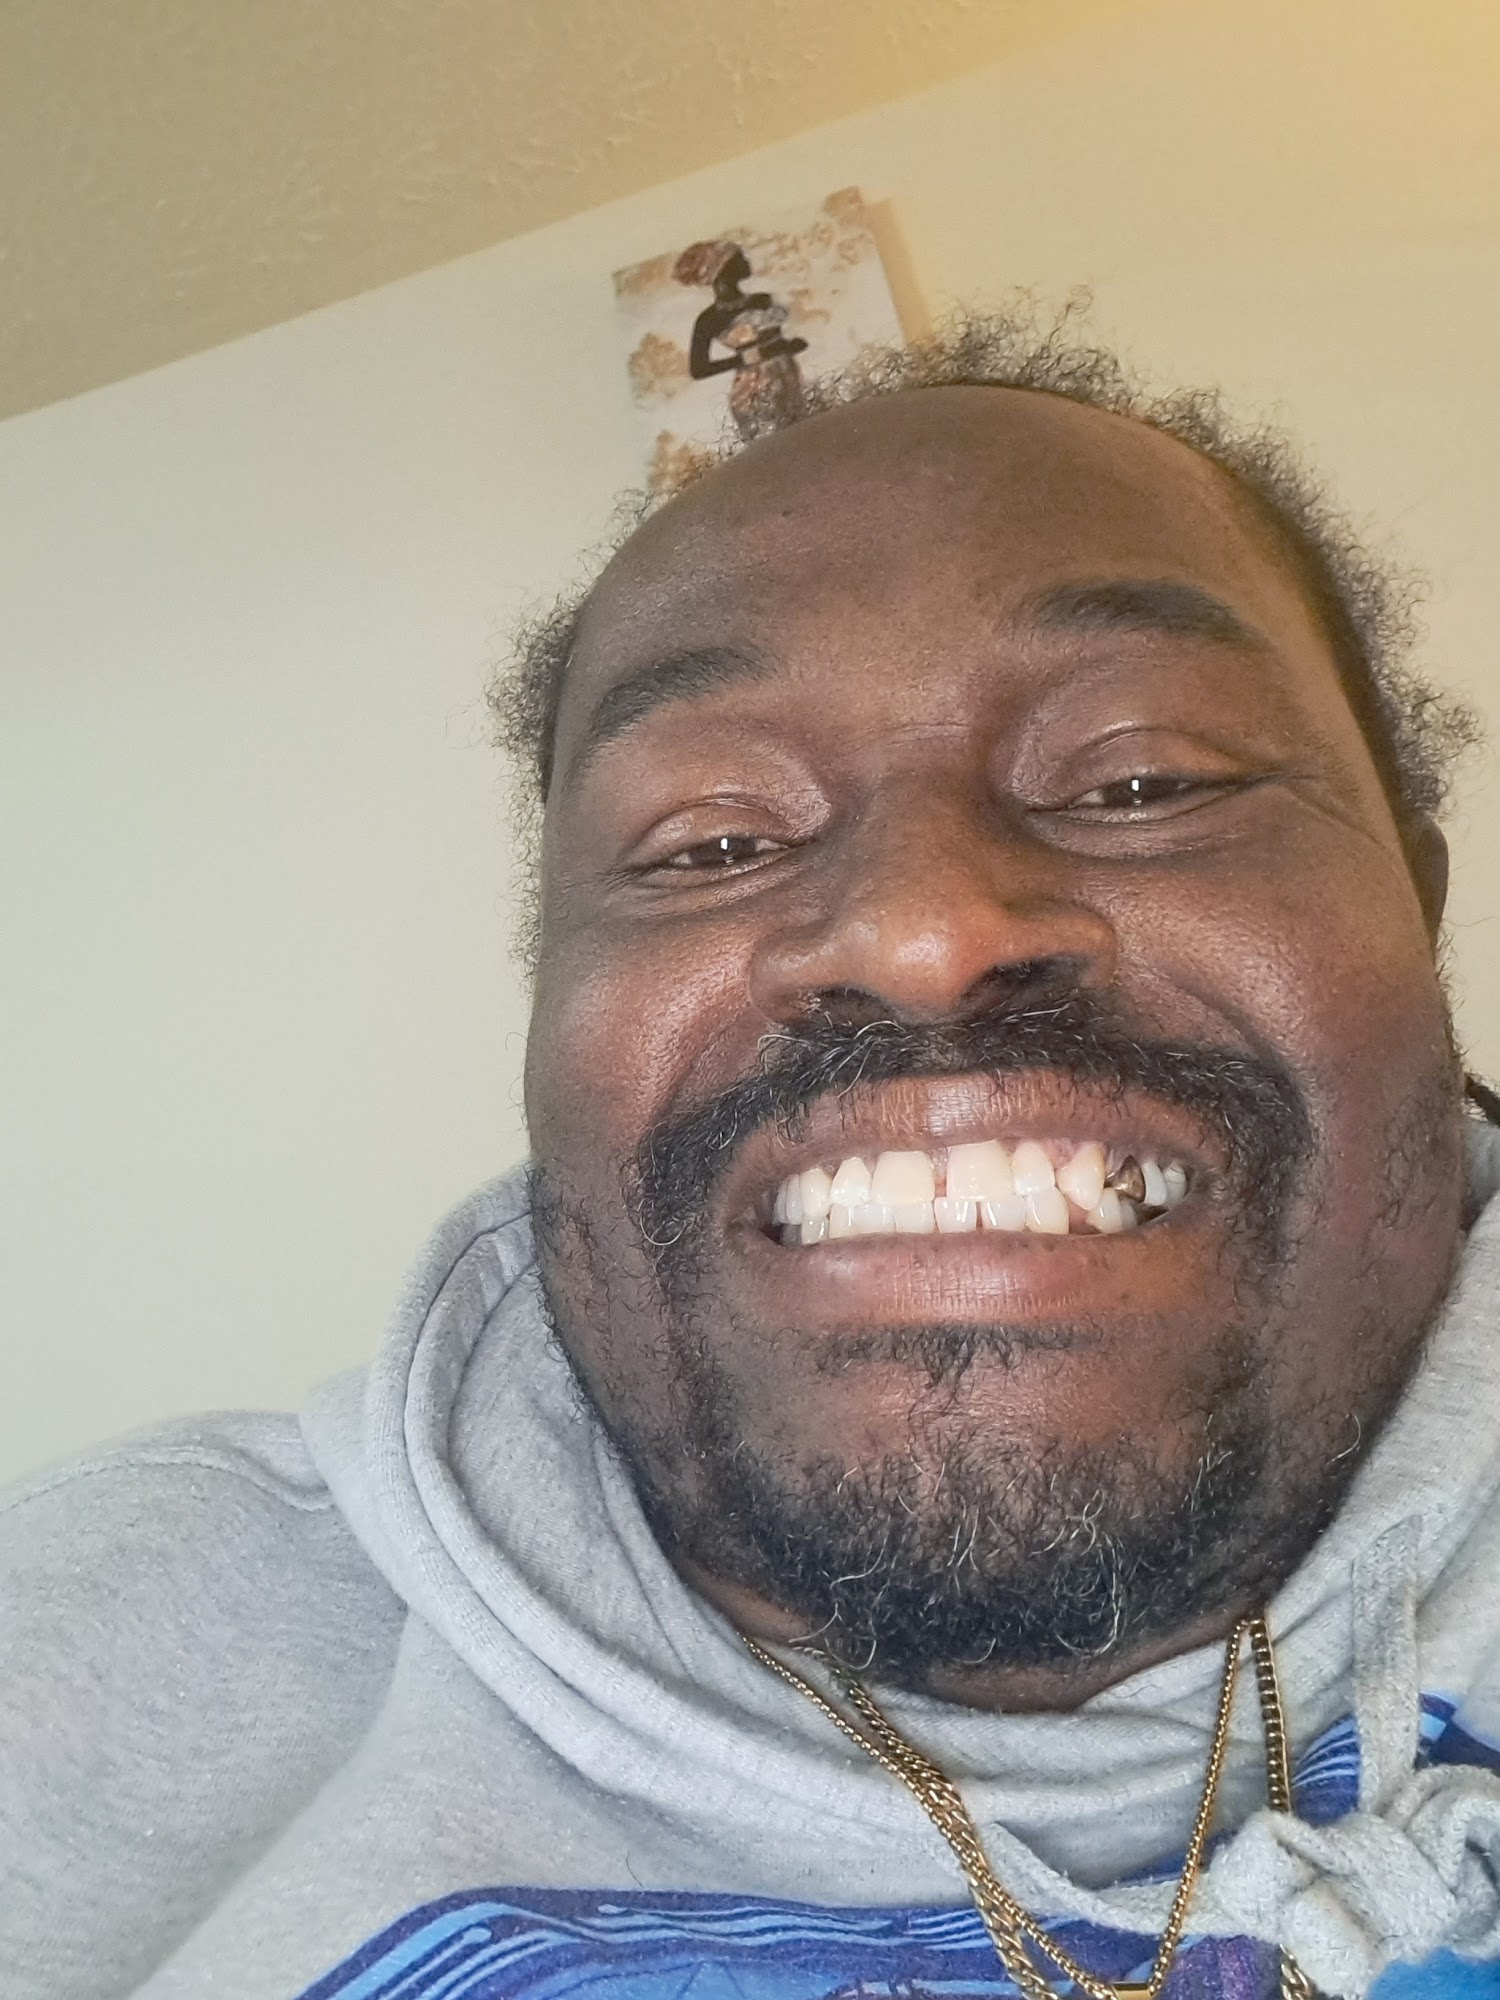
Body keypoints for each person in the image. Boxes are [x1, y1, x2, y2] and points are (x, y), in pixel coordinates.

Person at [5, 311, 1500, 2000]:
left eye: (1144, 780)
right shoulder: (85, 1650)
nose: (926, 931)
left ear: (1417, 905)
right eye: (712, 842)